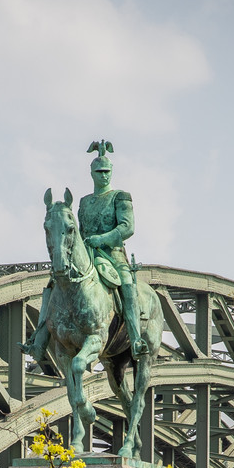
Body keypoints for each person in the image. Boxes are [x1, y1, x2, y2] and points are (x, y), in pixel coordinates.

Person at [23, 140, 146, 361]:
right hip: (86, 254)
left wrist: (103, 239)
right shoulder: (85, 201)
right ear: (92, 174)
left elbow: (127, 227)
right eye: (99, 172)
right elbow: (77, 231)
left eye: (107, 171)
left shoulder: (120, 196)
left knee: (127, 285)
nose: (104, 175)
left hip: (113, 253)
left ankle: (136, 339)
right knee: (52, 285)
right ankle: (38, 341)